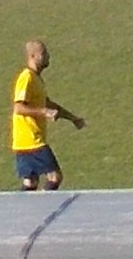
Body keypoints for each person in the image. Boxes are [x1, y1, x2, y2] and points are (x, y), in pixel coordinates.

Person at [10, 39, 84, 190]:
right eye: (43, 54)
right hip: (31, 139)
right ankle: (45, 206)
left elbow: (48, 103)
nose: (47, 57)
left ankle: (20, 211)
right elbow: (18, 107)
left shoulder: (37, 79)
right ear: (32, 56)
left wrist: (72, 118)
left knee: (30, 183)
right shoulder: (27, 78)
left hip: (24, 142)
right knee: (54, 176)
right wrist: (44, 112)